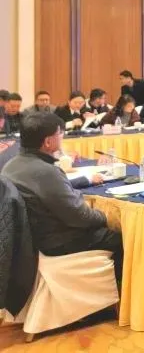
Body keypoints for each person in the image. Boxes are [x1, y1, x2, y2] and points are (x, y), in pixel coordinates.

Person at [1, 113, 122, 288]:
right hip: (57, 242)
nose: (62, 137)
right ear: (48, 142)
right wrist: (106, 218)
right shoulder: (47, 172)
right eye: (59, 133)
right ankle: (116, 298)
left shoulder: (10, 166)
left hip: (31, 240)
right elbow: (79, 217)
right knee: (121, 238)